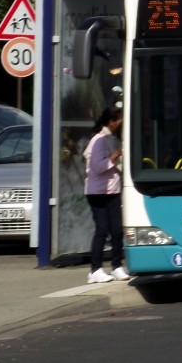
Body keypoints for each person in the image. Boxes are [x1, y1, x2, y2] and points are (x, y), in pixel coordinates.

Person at [83, 107, 129, 283]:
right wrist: (115, 156)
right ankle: (95, 270)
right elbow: (97, 167)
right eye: (119, 120)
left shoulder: (110, 139)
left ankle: (117, 266)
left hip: (112, 191)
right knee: (102, 229)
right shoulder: (99, 140)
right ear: (111, 122)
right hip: (97, 192)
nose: (120, 124)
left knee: (117, 230)